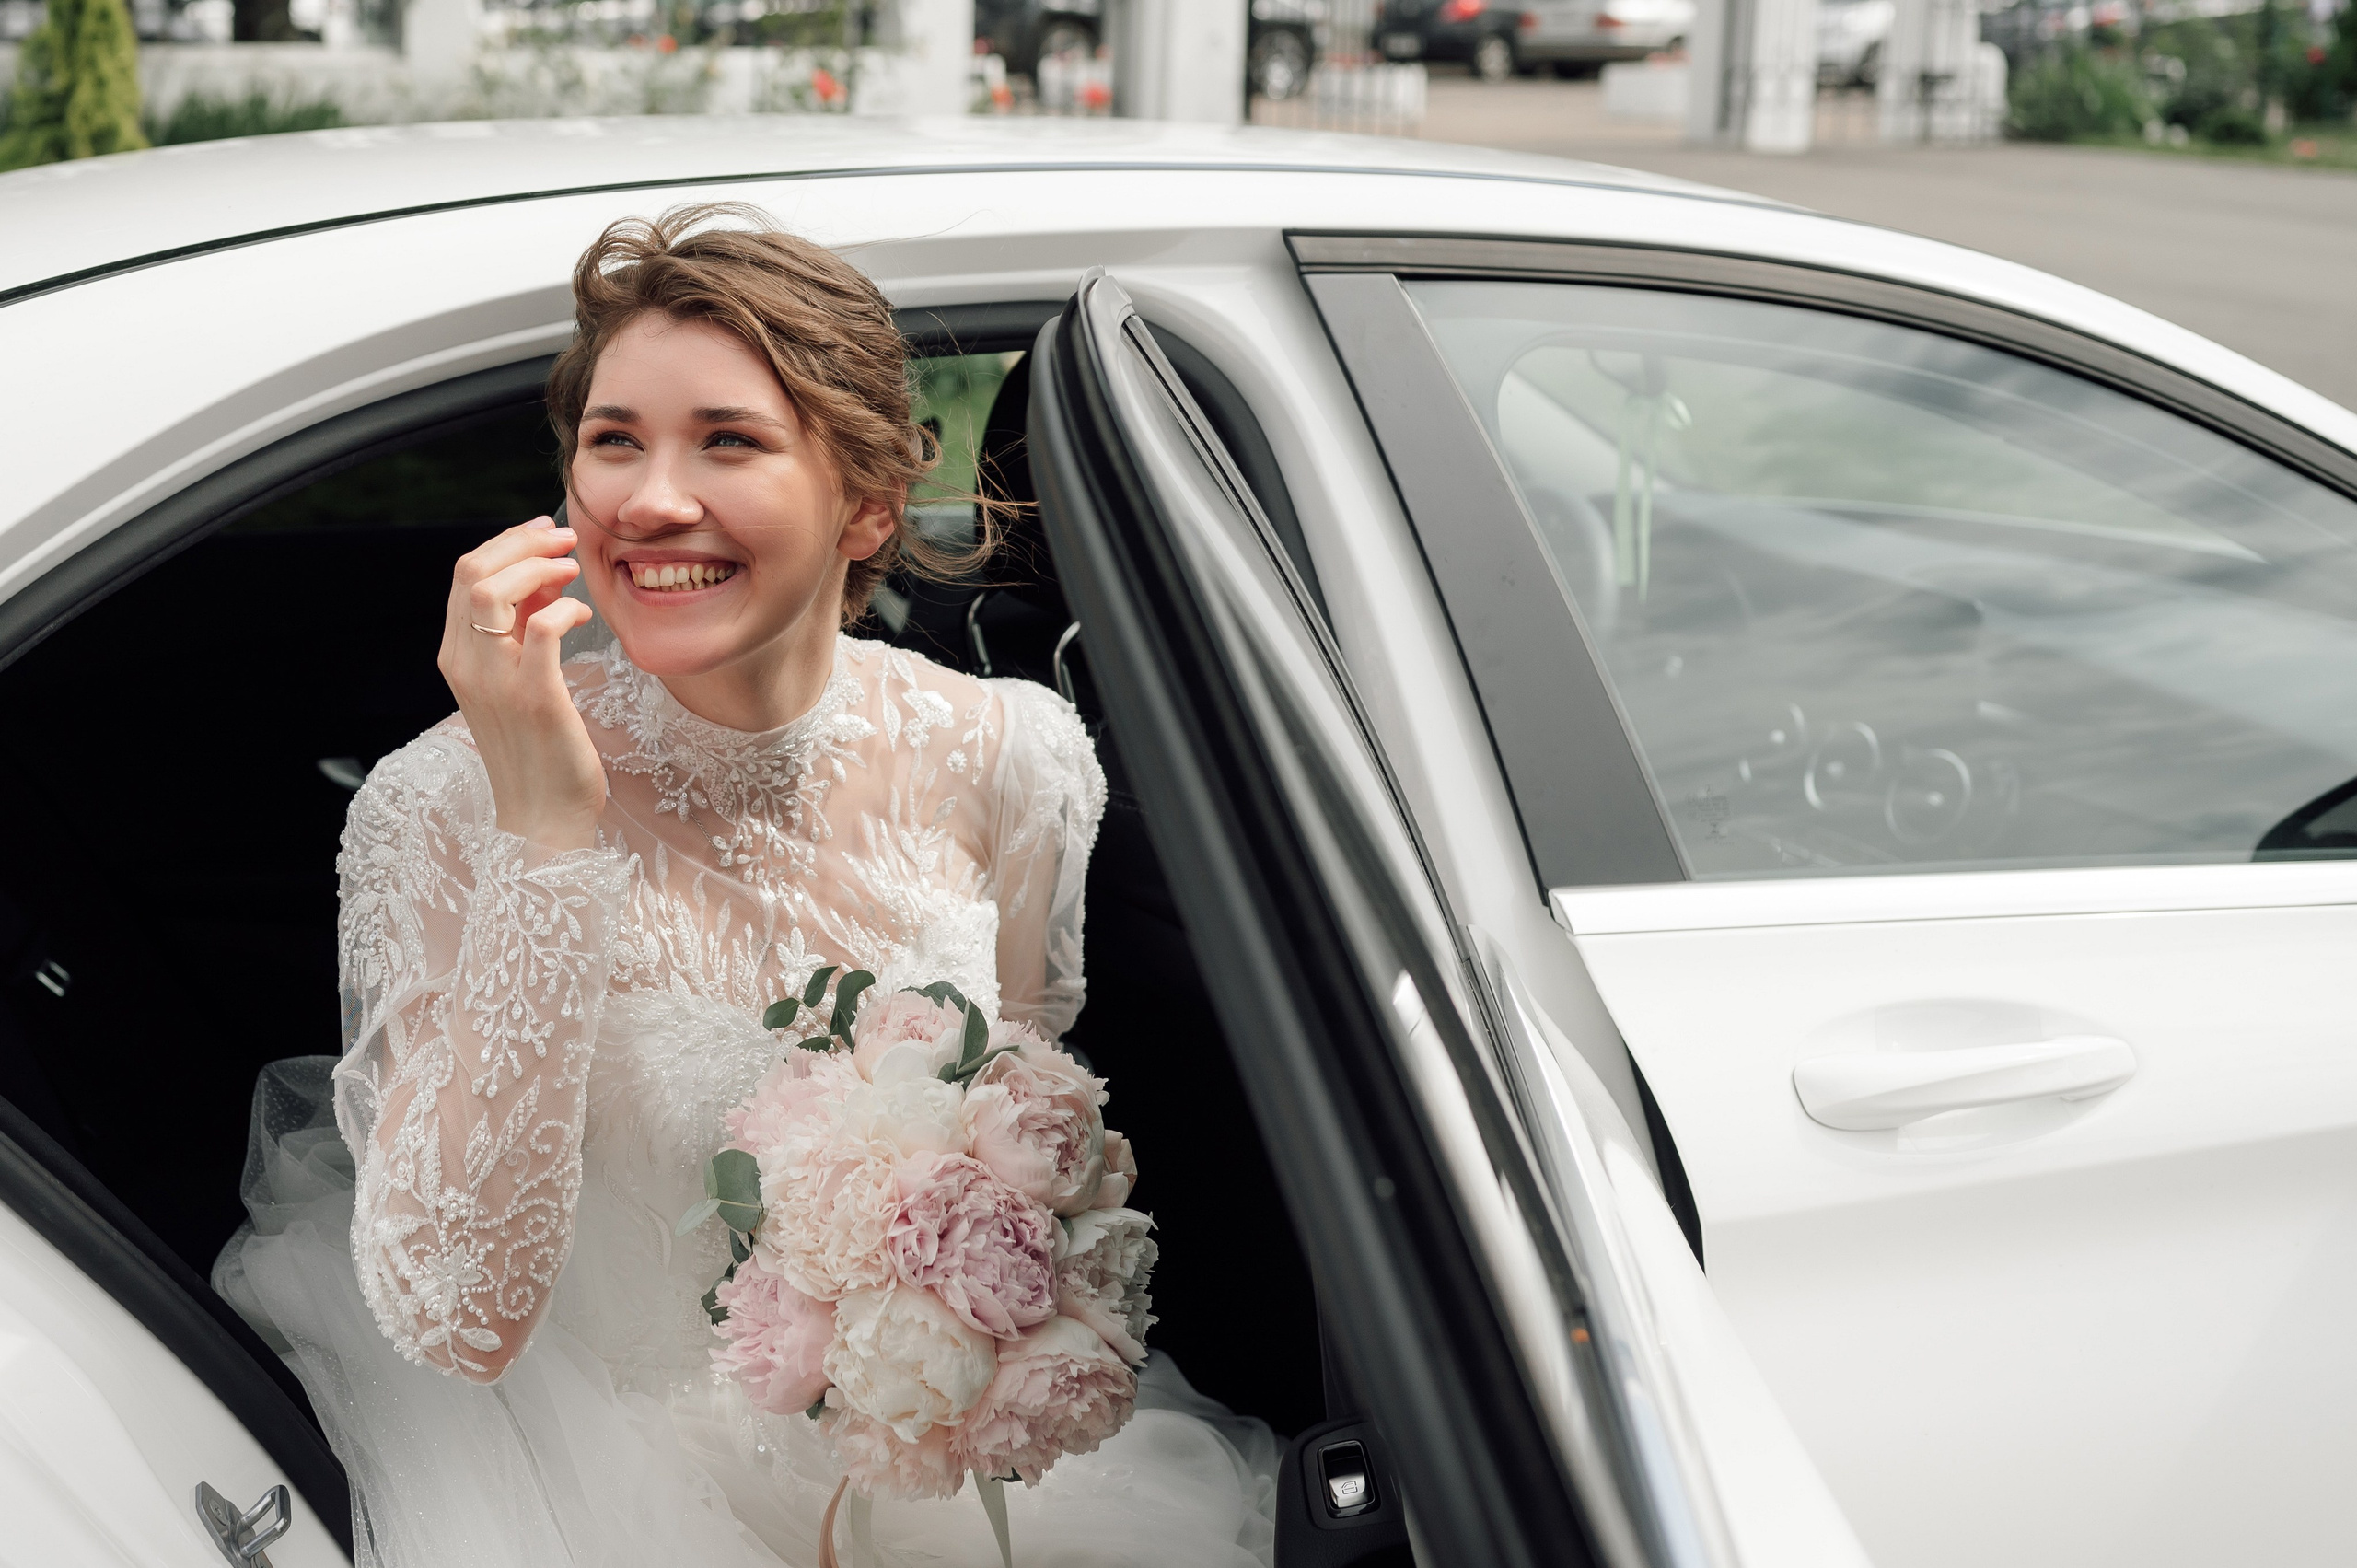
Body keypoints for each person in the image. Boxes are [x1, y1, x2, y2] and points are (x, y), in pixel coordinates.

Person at [214, 204, 1279, 1567]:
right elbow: (457, 1318)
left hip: (923, 1478)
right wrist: (546, 828)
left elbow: (1007, 1123)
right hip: (591, 1488)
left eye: (728, 440)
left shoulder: (1015, 757)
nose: (649, 499)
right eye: (613, 441)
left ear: (871, 500)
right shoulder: (442, 802)